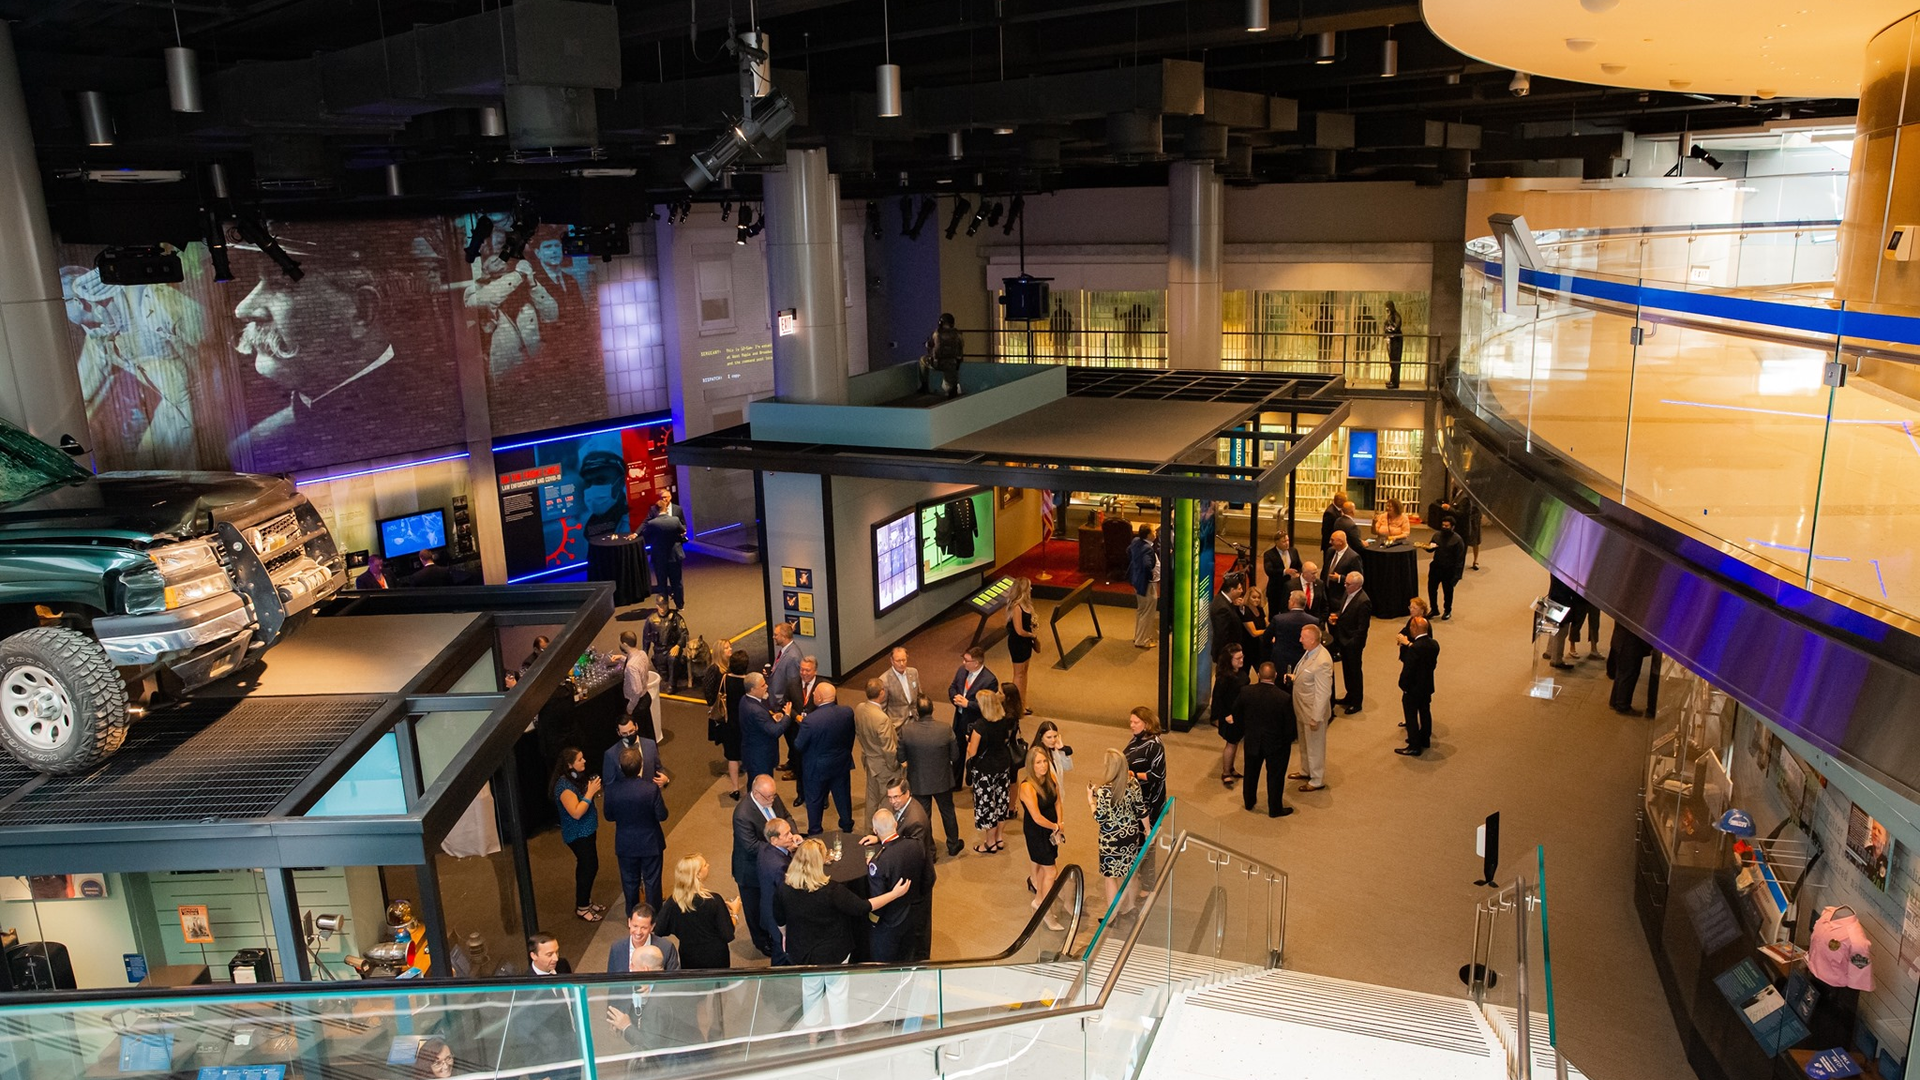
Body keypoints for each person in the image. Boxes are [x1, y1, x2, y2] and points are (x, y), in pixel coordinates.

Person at [777, 838, 911, 1030]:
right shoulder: (832, 890)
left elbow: (779, 918)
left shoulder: (784, 888)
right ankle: (840, 1035)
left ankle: (812, 1034)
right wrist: (894, 894)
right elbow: (864, 906)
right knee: (837, 992)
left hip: (802, 950)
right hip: (834, 952)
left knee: (810, 990)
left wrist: (784, 936)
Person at [603, 747, 670, 915]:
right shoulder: (651, 789)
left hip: (626, 844)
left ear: (620, 766)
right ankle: (653, 918)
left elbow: (608, 816)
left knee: (629, 882)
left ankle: (633, 917)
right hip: (650, 842)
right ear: (641, 766)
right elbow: (662, 815)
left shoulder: (611, 790)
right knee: (652, 881)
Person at [731, 774, 791, 959]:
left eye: (774, 795)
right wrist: (782, 844)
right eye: (769, 797)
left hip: (770, 865)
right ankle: (761, 942)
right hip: (749, 871)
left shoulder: (771, 796)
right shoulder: (742, 814)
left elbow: (786, 816)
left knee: (771, 903)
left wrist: (792, 834)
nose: (773, 800)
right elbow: (751, 846)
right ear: (756, 793)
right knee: (754, 909)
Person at [899, 695, 965, 857]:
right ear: (932, 709)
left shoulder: (907, 731)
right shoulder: (945, 728)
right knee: (948, 812)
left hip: (919, 781)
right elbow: (955, 756)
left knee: (924, 817)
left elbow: (901, 757)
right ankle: (953, 844)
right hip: (942, 779)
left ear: (917, 712)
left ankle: (930, 851)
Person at [867, 807, 934, 961]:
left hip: (890, 922)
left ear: (875, 831)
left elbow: (878, 903)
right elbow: (929, 877)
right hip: (914, 912)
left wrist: (873, 922)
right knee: (909, 957)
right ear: (895, 824)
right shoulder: (916, 844)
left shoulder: (879, 862)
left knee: (885, 963)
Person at [1089, 748, 1149, 915]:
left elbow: (1100, 818)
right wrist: (1148, 830)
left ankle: (1112, 914)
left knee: (1111, 876)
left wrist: (1090, 800)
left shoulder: (1104, 791)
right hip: (1130, 835)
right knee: (1130, 871)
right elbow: (1140, 808)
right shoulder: (1132, 782)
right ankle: (1130, 906)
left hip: (1111, 839)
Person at [657, 854, 740, 970]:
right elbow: (727, 934)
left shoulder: (673, 902)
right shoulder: (714, 900)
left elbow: (659, 929)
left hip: (689, 956)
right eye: (705, 865)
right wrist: (735, 913)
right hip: (716, 956)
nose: (708, 865)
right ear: (697, 874)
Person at [794, 681, 857, 835]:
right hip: (841, 762)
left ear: (820, 698)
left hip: (816, 768)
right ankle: (847, 824)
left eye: (815, 693)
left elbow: (798, 745)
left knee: (815, 800)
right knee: (842, 796)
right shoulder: (847, 713)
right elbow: (850, 737)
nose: (813, 695)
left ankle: (815, 831)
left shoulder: (810, 721)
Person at [551, 747, 606, 923]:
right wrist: (590, 792)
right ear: (569, 765)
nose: (584, 761)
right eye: (580, 759)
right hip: (578, 834)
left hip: (587, 831)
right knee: (587, 867)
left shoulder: (575, 778)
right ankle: (582, 907)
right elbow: (576, 812)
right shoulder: (564, 787)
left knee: (590, 865)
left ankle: (586, 901)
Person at [1016, 746, 1068, 930]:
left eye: (1045, 761)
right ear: (1031, 765)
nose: (1043, 765)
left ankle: (1039, 901)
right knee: (1051, 871)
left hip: (1051, 830)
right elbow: (1036, 817)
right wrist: (1055, 827)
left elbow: (1057, 801)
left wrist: (1059, 823)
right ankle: (1045, 912)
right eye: (1038, 762)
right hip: (1037, 833)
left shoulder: (1050, 778)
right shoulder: (1027, 787)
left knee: (1044, 868)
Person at [1237, 663, 1297, 817]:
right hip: (1276, 745)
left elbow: (1237, 712)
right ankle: (1275, 809)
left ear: (1259, 675)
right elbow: (1289, 725)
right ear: (1275, 676)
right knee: (1275, 776)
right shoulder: (1284, 698)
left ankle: (1249, 802)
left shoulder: (1246, 692)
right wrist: (1287, 741)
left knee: (1250, 773)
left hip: (1253, 741)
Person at [966, 688, 1017, 854]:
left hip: (985, 770)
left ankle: (989, 843)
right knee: (1001, 802)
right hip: (1003, 765)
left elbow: (972, 752)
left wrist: (968, 741)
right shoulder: (1003, 720)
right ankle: (999, 838)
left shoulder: (980, 726)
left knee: (987, 805)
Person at [1287, 625, 1334, 792]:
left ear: (1313, 640)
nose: (1300, 640)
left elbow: (1323, 692)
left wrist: (1316, 717)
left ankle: (1316, 779)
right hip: (1302, 709)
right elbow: (1307, 675)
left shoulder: (1323, 661)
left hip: (1313, 713)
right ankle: (1306, 770)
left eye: (1303, 637)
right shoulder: (1310, 652)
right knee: (1305, 743)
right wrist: (1295, 678)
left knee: (1315, 746)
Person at [755, 818, 803, 965]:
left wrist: (789, 846)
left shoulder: (764, 849)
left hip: (767, 908)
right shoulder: (780, 866)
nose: (791, 836)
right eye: (787, 834)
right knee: (783, 951)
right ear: (774, 840)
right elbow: (787, 894)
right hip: (778, 917)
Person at [856, 677, 903, 818]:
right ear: (881, 693)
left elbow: (858, 733)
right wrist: (895, 766)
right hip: (883, 766)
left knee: (871, 798)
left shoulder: (859, 708)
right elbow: (888, 749)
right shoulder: (882, 719)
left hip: (869, 761)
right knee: (886, 800)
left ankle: (869, 831)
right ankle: (883, 833)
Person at [1327, 571, 1371, 714]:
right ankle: (1349, 695)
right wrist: (1337, 617)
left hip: (1353, 643)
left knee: (1354, 672)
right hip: (1343, 639)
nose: (1345, 585)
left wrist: (1352, 643)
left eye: (1348, 584)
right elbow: (1344, 612)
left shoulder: (1364, 601)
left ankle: (1357, 702)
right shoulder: (1348, 593)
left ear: (1357, 585)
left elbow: (1362, 628)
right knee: (1347, 670)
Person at [1395, 617, 1440, 757]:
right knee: (1425, 711)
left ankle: (1414, 745)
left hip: (1413, 688)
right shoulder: (1434, 644)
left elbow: (1408, 670)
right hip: (1427, 686)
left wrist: (1403, 685)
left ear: (1415, 629)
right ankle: (1425, 739)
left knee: (1411, 716)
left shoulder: (1414, 649)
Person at [703, 638, 742, 799]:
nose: (730, 650)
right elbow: (708, 692)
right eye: (727, 648)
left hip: (731, 714)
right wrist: (715, 704)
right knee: (728, 742)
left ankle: (735, 762)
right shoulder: (714, 670)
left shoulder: (728, 668)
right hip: (723, 714)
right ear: (720, 652)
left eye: (730, 647)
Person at [738, 673, 790, 783]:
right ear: (752, 689)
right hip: (760, 757)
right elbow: (775, 731)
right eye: (762, 685)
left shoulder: (744, 700)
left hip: (751, 752)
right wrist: (787, 716)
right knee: (761, 787)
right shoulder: (756, 710)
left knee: (754, 784)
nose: (766, 686)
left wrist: (771, 718)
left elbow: (758, 723)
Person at [1210, 642, 1248, 787]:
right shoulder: (1224, 678)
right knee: (1231, 743)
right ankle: (1226, 772)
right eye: (1237, 658)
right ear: (1229, 660)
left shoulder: (1240, 672)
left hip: (1240, 713)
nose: (1241, 660)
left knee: (1236, 741)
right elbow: (1218, 699)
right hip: (1230, 716)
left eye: (1242, 657)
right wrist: (1226, 715)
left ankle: (1231, 768)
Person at [947, 647, 998, 753]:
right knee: (957, 753)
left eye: (966, 660)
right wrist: (955, 698)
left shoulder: (990, 680)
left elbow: (988, 706)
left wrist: (968, 704)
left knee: (976, 753)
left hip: (976, 723)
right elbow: (952, 687)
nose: (963, 662)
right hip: (960, 719)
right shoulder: (962, 670)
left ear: (976, 663)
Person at [1124, 706, 1168, 827]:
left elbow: (1159, 775)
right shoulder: (1137, 739)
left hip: (1149, 798)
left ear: (1147, 724)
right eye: (1131, 721)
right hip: (1136, 792)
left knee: (1146, 834)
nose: (1132, 725)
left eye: (1136, 722)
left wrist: (1135, 775)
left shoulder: (1155, 746)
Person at [607, 903, 681, 972]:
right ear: (629, 922)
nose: (638, 932)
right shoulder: (617, 949)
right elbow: (611, 981)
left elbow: (674, 982)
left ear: (652, 927)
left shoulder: (666, 948)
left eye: (644, 928)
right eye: (635, 926)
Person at [1003, 577, 1039, 712]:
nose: (1031, 588)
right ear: (1023, 589)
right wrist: (1031, 635)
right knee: (1018, 674)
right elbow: (1019, 631)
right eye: (1029, 586)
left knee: (1024, 672)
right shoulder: (1016, 606)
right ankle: (1016, 706)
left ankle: (1023, 702)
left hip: (1026, 642)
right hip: (1018, 643)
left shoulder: (1027, 605)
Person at [1608, 622, 1659, 716]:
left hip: (1621, 639)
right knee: (1629, 674)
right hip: (1631, 644)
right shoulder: (1637, 610)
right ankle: (1623, 706)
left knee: (1621, 673)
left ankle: (1615, 701)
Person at [602, 711, 662, 791]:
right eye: (624, 734)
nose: (629, 735)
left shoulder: (650, 744)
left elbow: (659, 768)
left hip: (650, 795)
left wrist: (665, 778)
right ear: (618, 732)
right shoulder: (611, 754)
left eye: (631, 731)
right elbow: (609, 785)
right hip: (628, 799)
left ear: (636, 726)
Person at [642, 595, 691, 693]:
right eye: (660, 606)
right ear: (656, 605)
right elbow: (646, 638)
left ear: (667, 604)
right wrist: (644, 654)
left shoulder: (676, 618)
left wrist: (678, 645)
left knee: (673, 660)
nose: (662, 608)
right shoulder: (651, 620)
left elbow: (684, 633)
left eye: (664, 605)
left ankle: (672, 685)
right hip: (659, 650)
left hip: (672, 648)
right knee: (664, 676)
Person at [642, 504, 687, 610]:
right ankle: (680, 605)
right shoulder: (675, 520)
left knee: (661, 583)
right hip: (674, 555)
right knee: (677, 582)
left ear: (656, 512)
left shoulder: (651, 523)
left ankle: (664, 606)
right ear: (666, 509)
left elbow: (646, 536)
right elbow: (683, 531)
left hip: (659, 557)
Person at [617, 631, 658, 742]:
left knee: (641, 734)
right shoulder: (642, 654)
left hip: (637, 704)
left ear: (625, 644)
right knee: (648, 730)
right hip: (646, 698)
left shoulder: (631, 667)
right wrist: (621, 658)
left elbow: (637, 690)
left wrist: (629, 709)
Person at [1424, 517, 1466, 620]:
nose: (1444, 527)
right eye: (1443, 525)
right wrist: (1427, 547)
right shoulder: (1437, 535)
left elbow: (1460, 560)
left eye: (1447, 526)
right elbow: (1431, 548)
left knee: (1448, 591)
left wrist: (1457, 576)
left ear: (1453, 527)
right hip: (1436, 567)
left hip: (1449, 569)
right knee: (1432, 589)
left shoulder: (1458, 540)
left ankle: (1447, 610)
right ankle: (1434, 609)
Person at [1270, 591, 1318, 675]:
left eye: (1289, 600)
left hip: (1281, 660)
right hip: (1304, 660)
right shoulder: (1313, 621)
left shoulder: (1278, 619)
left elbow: (1266, 638)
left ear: (1293, 602)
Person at [1127, 523, 1160, 648]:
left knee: (1141, 610)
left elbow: (1128, 551)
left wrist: (1136, 566)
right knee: (1148, 612)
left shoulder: (1136, 541)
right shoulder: (1147, 548)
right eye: (1153, 531)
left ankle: (1138, 636)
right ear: (1148, 535)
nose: (1155, 533)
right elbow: (1147, 565)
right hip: (1147, 585)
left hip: (1137, 582)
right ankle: (1143, 640)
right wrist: (1150, 576)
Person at [922, 312, 966, 398]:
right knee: (951, 380)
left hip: (937, 363)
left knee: (922, 361)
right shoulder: (957, 334)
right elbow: (961, 346)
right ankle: (952, 389)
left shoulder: (936, 333)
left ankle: (924, 385)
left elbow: (930, 344)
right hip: (953, 363)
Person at [881, 646, 927, 726]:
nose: (902, 664)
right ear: (892, 661)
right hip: (898, 724)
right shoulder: (884, 680)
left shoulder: (913, 672)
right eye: (898, 661)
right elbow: (882, 708)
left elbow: (919, 695)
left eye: (904, 660)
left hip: (916, 718)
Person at [1209, 572, 1248, 662]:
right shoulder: (1222, 608)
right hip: (1227, 654)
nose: (1242, 591)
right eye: (1239, 589)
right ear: (1232, 590)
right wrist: (1228, 656)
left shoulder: (1223, 600)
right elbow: (1222, 635)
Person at [1545, 576, 1582, 669]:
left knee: (1555, 628)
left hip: (1554, 597)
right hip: (1562, 601)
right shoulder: (1566, 572)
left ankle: (1549, 651)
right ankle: (1556, 660)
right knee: (1561, 631)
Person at [1262, 529, 1303, 597]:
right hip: (1276, 590)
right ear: (1277, 542)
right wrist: (1285, 571)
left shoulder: (1293, 551)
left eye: (1288, 540)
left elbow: (1299, 566)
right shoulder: (1269, 554)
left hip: (1291, 588)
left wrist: (1298, 574)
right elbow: (1269, 571)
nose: (1287, 543)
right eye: (1284, 541)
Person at [1383, 299, 1404, 389]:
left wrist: (1388, 328)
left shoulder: (1395, 316)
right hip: (1392, 340)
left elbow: (1395, 327)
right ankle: (1393, 380)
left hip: (1396, 340)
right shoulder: (1391, 316)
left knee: (1395, 361)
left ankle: (1395, 382)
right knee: (1392, 361)